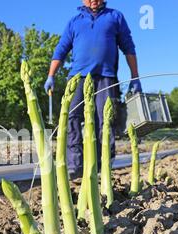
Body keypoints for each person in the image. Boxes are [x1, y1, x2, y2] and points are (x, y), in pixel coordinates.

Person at [45, 0, 142, 176]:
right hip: (77, 77)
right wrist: (51, 75)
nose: (93, 1)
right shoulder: (75, 21)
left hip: (106, 77)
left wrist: (135, 77)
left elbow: (128, 47)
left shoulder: (115, 17)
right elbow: (61, 49)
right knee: (71, 117)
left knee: (104, 120)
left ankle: (102, 165)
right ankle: (74, 165)